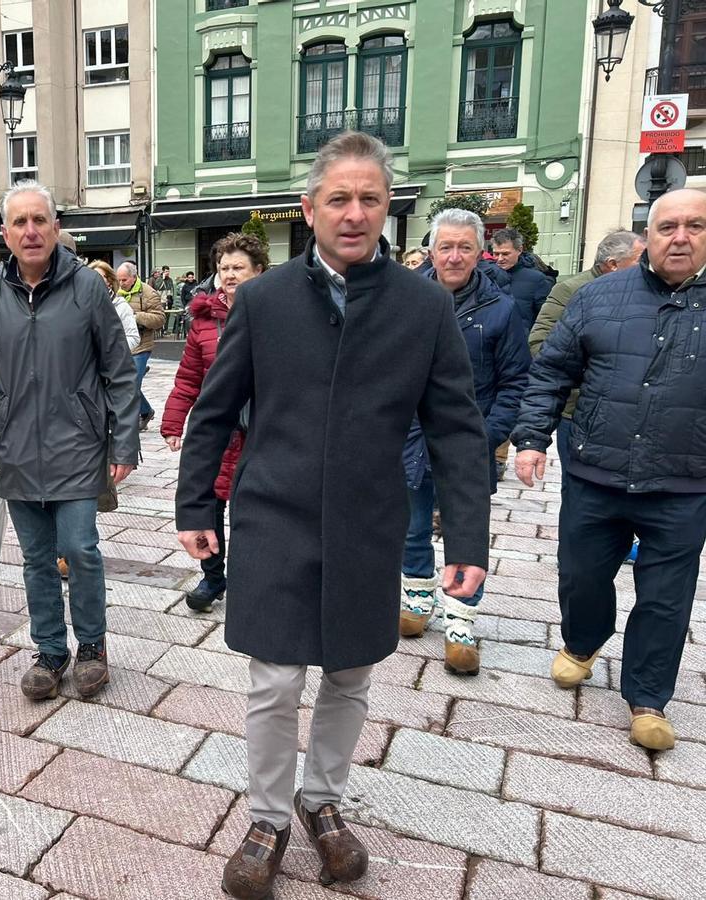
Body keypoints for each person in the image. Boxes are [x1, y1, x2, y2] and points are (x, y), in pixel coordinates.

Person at [175, 132, 489, 898]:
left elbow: (455, 424)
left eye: (369, 199)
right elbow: (214, 413)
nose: (354, 214)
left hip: (367, 519)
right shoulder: (263, 298)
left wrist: (469, 533)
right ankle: (267, 817)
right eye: (339, 199)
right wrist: (195, 502)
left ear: (388, 208)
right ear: (310, 207)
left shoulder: (423, 306)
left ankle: (323, 803)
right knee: (276, 679)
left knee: (349, 674)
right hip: (273, 515)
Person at [512, 189, 706, 753]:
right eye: (668, 226)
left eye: (694, 226)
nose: (680, 236)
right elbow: (551, 371)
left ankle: (648, 698)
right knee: (581, 575)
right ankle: (582, 642)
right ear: (647, 234)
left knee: (667, 597)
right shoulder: (598, 297)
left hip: (683, 480)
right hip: (597, 469)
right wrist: (530, 438)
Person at [0, 181, 139, 702]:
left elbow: (119, 372)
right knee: (35, 557)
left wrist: (123, 442)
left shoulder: (86, 288)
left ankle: (92, 647)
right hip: (15, 448)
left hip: (79, 444)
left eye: (41, 220)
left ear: (57, 228)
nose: (31, 231)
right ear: (6, 234)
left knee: (80, 549)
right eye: (20, 222)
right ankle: (50, 650)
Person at [399, 209, 530, 676]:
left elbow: (516, 381)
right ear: (431, 250)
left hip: (470, 440)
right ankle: (416, 599)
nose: (454, 256)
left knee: (464, 532)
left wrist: (488, 437)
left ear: (480, 252)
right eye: (445, 246)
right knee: (411, 526)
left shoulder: (501, 309)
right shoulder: (407, 299)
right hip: (410, 438)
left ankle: (460, 620)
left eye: (465, 248)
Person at [162, 232, 267, 613]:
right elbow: (189, 377)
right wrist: (174, 422)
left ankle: (251, 576)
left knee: (252, 510)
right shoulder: (204, 321)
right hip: (218, 432)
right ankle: (213, 575)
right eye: (224, 268)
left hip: (260, 432)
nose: (230, 275)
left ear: (259, 271)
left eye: (239, 267)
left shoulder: (276, 315)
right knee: (209, 505)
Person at [528, 230, 645, 475]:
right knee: (577, 487)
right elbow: (540, 343)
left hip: (632, 415)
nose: (647, 265)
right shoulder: (571, 290)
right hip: (579, 411)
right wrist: (592, 379)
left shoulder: (648, 293)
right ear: (613, 264)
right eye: (640, 259)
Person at [117, 261, 166, 431]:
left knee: (131, 384)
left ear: (133, 277)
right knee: (127, 383)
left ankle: (130, 421)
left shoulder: (148, 293)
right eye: (119, 280)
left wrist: (135, 316)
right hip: (122, 345)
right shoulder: (117, 292)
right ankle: (146, 411)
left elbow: (160, 319)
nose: (121, 283)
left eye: (124, 280)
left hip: (141, 345)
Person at [491, 227, 555, 327]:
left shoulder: (537, 280)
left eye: (505, 254)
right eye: (496, 254)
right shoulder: (485, 277)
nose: (499, 259)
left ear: (519, 250)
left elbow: (546, 320)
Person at [89, 260, 140, 353]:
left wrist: (112, 351)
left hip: (110, 363)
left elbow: (133, 338)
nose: (94, 279)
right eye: (91, 276)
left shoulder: (121, 306)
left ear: (109, 281)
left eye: (99, 276)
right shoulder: (80, 304)